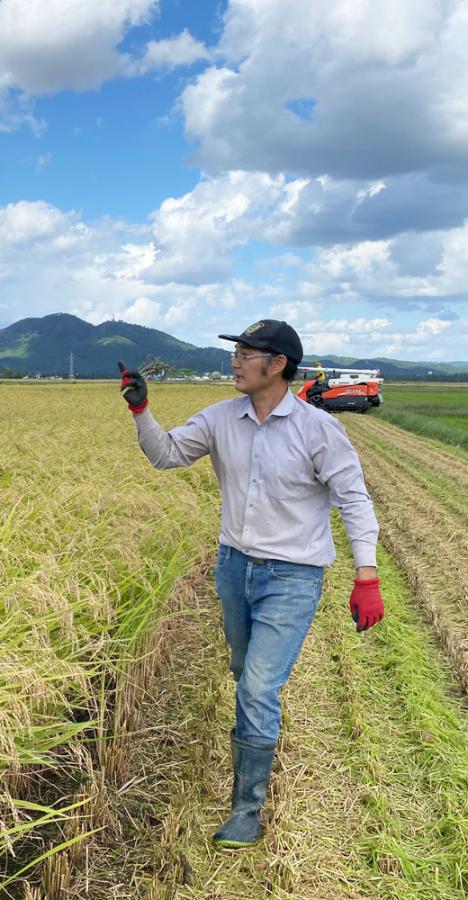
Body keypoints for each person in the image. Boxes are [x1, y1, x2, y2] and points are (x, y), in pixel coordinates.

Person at [118, 319, 384, 850]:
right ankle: (255, 743)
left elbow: (354, 499)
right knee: (244, 673)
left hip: (293, 575)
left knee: (259, 686)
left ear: (277, 363)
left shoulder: (318, 430)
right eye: (236, 352)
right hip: (234, 568)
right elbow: (166, 455)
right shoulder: (221, 419)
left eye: (246, 352)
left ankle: (247, 807)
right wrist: (141, 412)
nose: (235, 361)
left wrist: (367, 574)